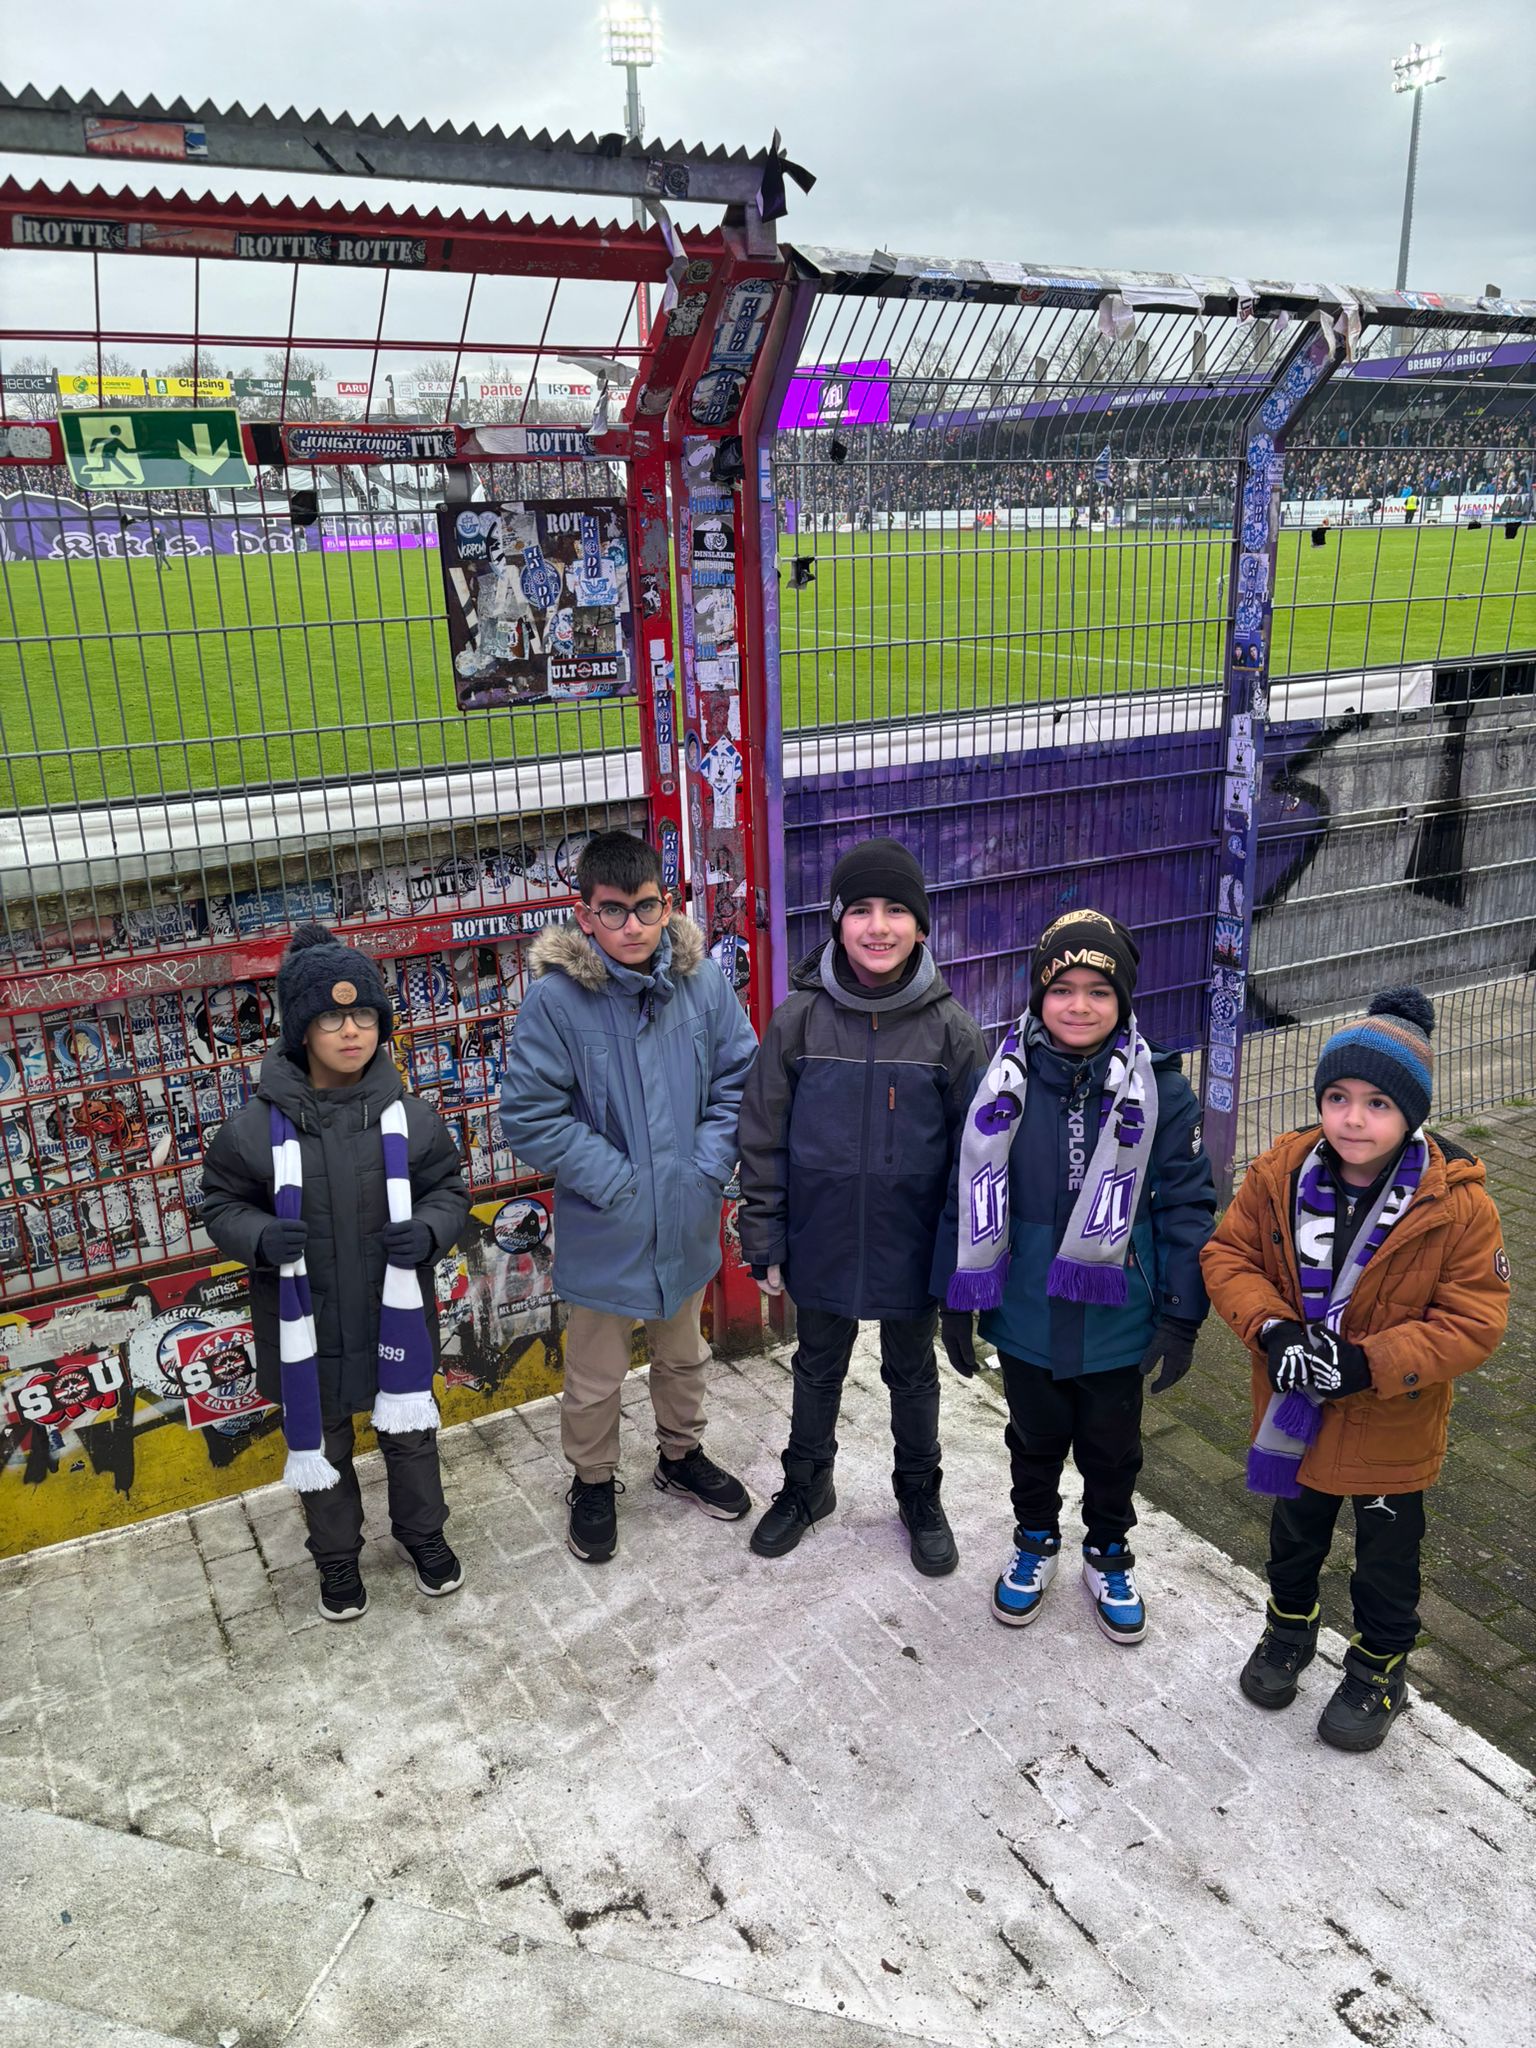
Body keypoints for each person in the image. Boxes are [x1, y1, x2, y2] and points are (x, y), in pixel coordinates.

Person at [1201, 988, 1509, 1752]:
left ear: (1414, 1113)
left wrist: (1371, 1362)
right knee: (1293, 1540)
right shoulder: (1281, 1172)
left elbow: (1475, 1321)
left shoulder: (1457, 1206)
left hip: (1389, 1429)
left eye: (1377, 1103)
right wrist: (1271, 1331)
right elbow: (1229, 1256)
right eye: (1337, 1097)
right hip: (1293, 1414)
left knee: (1385, 1565)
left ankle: (1378, 1668)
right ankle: (1288, 1633)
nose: (1352, 1118)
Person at [938, 911, 1215, 1641]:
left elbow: (1189, 1203)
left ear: (1123, 999)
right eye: (1064, 988)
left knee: (1110, 1446)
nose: (1081, 1005)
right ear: (1038, 995)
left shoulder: (1162, 1091)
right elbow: (960, 1193)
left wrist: (1183, 1311)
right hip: (1027, 1311)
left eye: (1100, 989)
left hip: (1117, 1315)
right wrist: (954, 1300)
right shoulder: (998, 1084)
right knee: (1032, 1439)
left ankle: (1108, 1549)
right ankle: (1035, 1542)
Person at [499, 830, 759, 1564]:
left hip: (683, 1214)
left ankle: (680, 1457)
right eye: (613, 912)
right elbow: (529, 1115)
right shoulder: (556, 1002)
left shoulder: (701, 981)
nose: (633, 927)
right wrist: (615, 1180)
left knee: (684, 1354)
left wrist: (706, 1166)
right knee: (595, 1376)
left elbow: (741, 1079)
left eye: (646, 908)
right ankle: (591, 1479)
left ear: (666, 904)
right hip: (607, 1225)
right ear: (584, 916)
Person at [201, 925, 470, 1622]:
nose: (350, 1032)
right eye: (330, 1017)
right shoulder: (254, 1129)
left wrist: (434, 1228)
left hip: (392, 1320)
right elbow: (221, 1204)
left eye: (364, 1015)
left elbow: (450, 1191)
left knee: (410, 1436)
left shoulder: (411, 1117)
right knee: (323, 1443)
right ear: (300, 1030)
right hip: (307, 1323)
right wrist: (260, 1234)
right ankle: (337, 1559)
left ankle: (423, 1534)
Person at [736, 838, 987, 1574]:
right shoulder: (799, 1022)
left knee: (912, 1372)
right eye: (862, 911)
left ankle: (919, 1494)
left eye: (897, 911)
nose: (879, 927)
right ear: (836, 922)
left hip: (911, 1247)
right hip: (821, 1240)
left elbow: (977, 1161)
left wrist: (961, 1263)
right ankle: (807, 1485)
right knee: (817, 1366)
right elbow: (762, 1135)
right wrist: (766, 1236)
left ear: (921, 925)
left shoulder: (953, 1033)